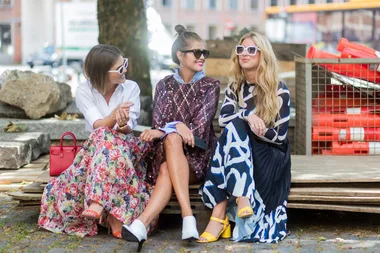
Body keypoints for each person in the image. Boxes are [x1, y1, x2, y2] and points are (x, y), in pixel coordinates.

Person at [38, 44, 158, 239]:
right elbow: (98, 125)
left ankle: (99, 201)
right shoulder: (84, 90)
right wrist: (113, 116)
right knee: (103, 136)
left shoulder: (131, 87)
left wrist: (122, 122)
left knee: (108, 138)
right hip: (96, 149)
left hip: (128, 148)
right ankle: (114, 217)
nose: (125, 70)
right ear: (102, 73)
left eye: (125, 64)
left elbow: (127, 129)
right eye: (120, 68)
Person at [122, 24, 220, 252]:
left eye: (204, 52)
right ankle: (188, 218)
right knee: (172, 142)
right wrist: (176, 127)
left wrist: (173, 127)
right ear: (180, 55)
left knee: (171, 150)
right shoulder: (164, 85)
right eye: (197, 52)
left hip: (198, 157)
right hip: (165, 153)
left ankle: (141, 224)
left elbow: (201, 129)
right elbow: (157, 124)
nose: (202, 57)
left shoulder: (210, 86)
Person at [198, 31, 291, 243]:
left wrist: (258, 130)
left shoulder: (279, 90)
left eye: (251, 50)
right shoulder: (235, 87)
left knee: (233, 132)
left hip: (270, 153)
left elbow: (279, 137)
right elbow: (223, 119)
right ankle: (242, 197)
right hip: (241, 151)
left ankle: (219, 216)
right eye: (241, 50)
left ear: (263, 55)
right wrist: (248, 116)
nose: (245, 54)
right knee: (235, 126)